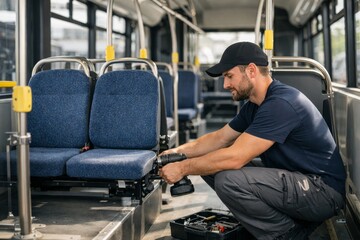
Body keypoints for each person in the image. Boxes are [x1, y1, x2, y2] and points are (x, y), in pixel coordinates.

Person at [159, 42, 346, 240]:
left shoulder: (280, 104)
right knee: (209, 159)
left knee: (228, 179)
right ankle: (275, 225)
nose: (225, 85)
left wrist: (183, 168)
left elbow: (235, 158)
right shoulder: (255, 105)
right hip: (300, 182)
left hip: (322, 192)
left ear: (251, 71)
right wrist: (176, 153)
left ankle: (287, 234)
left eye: (229, 76)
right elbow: (219, 138)